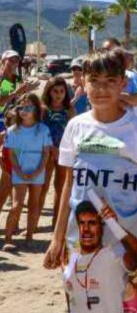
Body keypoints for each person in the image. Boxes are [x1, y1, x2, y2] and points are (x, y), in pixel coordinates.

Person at [44, 49, 137, 280]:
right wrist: (57, 238)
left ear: (122, 83)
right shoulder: (75, 126)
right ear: (83, 84)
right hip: (81, 238)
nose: (101, 89)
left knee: (129, 310)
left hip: (130, 238)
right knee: (84, 307)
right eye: (94, 81)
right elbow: (68, 186)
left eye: (110, 81)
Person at [62, 200, 137, 313]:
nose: (86, 229)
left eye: (92, 223)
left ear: (102, 226)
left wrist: (115, 225)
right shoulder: (71, 259)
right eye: (82, 223)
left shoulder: (114, 253)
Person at [3, 93, 52, 250]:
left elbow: (46, 153)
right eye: (20, 107)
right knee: (17, 204)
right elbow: (10, 154)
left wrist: (38, 170)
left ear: (36, 110)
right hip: (20, 170)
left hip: (38, 170)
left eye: (29, 107)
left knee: (34, 204)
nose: (24, 111)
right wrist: (19, 171)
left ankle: (29, 236)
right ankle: (8, 238)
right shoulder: (13, 130)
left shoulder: (43, 129)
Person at [40, 76, 75, 228]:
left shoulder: (69, 110)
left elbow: (73, 132)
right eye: (55, 91)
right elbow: (39, 131)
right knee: (42, 186)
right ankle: (33, 223)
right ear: (49, 91)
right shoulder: (43, 109)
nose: (59, 94)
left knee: (60, 188)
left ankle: (56, 223)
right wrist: (50, 148)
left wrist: (62, 150)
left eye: (62, 91)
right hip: (46, 152)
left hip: (63, 153)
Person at [0, 50, 38, 126]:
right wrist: (16, 93)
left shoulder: (17, 79)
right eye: (11, 60)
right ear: (3, 61)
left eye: (16, 61)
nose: (14, 63)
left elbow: (18, 100)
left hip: (10, 117)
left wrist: (25, 91)